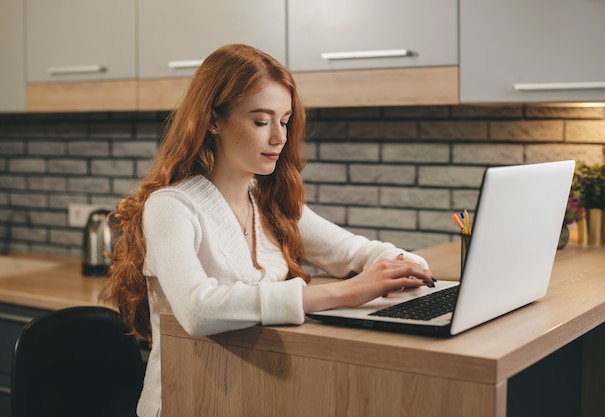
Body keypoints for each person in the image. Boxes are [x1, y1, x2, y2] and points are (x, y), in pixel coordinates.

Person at [104, 43, 435, 417]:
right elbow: (197, 309)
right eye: (261, 121)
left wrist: (406, 265)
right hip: (188, 401)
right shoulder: (172, 206)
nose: (278, 137)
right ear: (213, 120)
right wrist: (340, 293)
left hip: (257, 396)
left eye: (285, 120)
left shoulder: (268, 201)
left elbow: (355, 252)